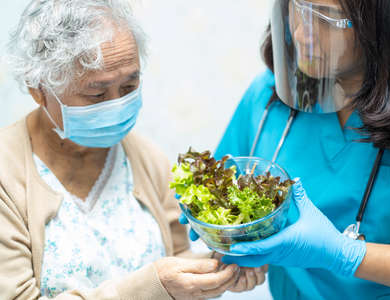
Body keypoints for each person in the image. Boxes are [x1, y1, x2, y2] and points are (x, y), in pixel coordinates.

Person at [183, 0, 390, 299]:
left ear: (388, 21)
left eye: (325, 18)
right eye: (297, 8)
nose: (300, 33)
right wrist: (236, 244)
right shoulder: (268, 95)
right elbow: (233, 192)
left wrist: (346, 254)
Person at [0, 0, 265, 299]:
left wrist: (219, 270)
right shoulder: (7, 177)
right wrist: (153, 287)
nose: (116, 104)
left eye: (129, 87)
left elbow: (177, 260)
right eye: (96, 93)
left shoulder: (146, 159)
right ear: (38, 88)